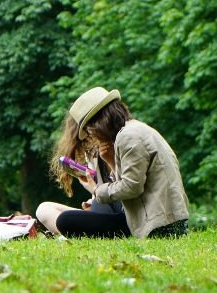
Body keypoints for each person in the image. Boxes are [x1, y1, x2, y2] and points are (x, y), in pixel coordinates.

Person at [36, 87, 189, 239]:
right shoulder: (134, 130)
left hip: (159, 226)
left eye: (89, 128)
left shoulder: (128, 137)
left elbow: (131, 188)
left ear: (100, 120)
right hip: (160, 220)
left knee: (66, 220)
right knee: (59, 212)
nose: (91, 134)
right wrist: (110, 160)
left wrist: (96, 191)